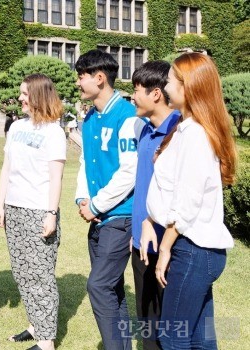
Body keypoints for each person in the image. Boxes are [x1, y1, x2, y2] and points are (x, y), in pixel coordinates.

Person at [142, 52, 236, 349]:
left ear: (188, 87)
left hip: (192, 250)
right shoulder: (187, 129)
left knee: (172, 336)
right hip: (198, 250)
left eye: (169, 81)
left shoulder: (194, 134)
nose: (166, 87)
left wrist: (166, 247)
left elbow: (187, 202)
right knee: (199, 338)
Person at [74, 49, 144, 350]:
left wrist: (97, 204)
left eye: (81, 77)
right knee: (112, 288)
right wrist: (81, 199)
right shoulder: (89, 118)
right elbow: (85, 162)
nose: (78, 83)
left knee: (98, 286)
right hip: (97, 216)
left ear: (99, 78)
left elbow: (130, 172)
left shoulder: (127, 117)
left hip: (120, 216)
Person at [0, 74, 66, 350]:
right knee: (22, 272)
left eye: (25, 93)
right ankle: (36, 325)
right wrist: (0, 204)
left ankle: (46, 340)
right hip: (14, 208)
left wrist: (51, 213)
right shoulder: (16, 127)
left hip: (39, 211)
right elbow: (7, 168)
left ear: (39, 96)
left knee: (41, 276)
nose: (20, 97)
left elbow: (56, 177)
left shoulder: (53, 132)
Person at [129, 61, 180, 350]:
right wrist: (134, 233)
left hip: (169, 246)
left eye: (136, 90)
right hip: (141, 245)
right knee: (147, 319)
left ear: (156, 93)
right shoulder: (146, 130)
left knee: (173, 326)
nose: (133, 96)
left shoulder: (180, 131)